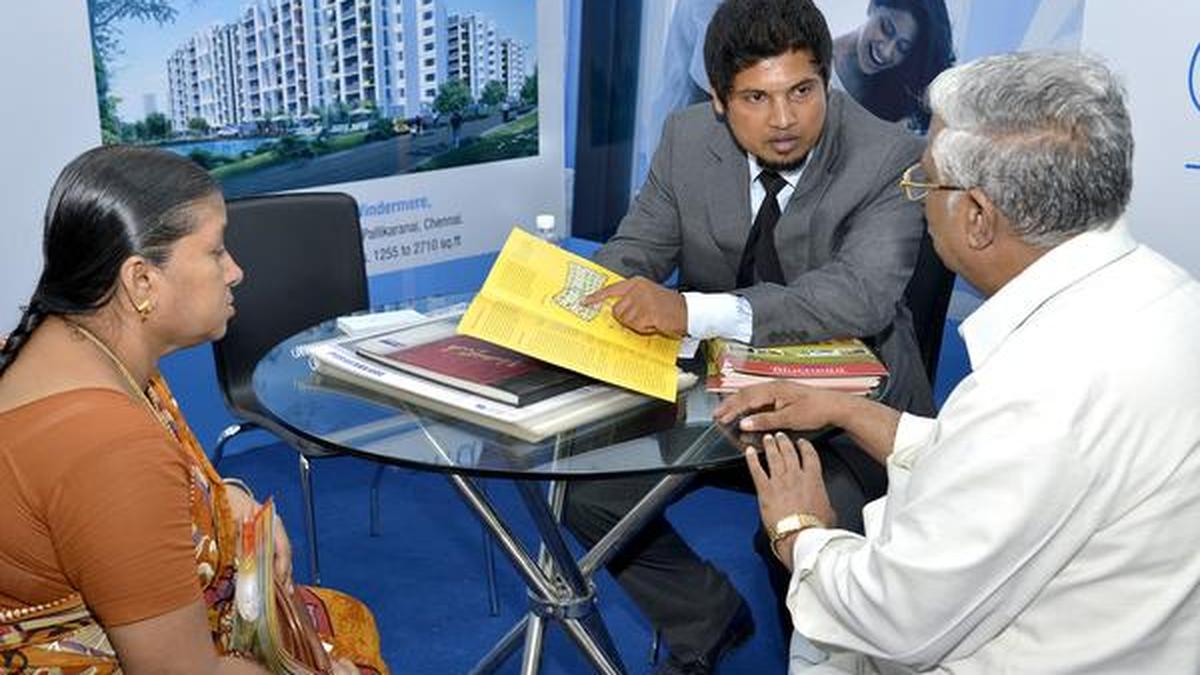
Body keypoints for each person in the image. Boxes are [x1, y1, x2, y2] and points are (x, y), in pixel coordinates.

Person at [718, 51, 1200, 673]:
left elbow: (892, 619)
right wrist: (846, 410)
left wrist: (798, 528)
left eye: (925, 182)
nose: (918, 201)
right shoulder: (1171, 295)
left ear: (975, 216)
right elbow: (1000, 468)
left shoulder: (1035, 391)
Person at [564, 0, 932, 672]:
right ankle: (704, 615)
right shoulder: (685, 138)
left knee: (800, 536)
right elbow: (638, 247)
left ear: (827, 79)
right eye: (756, 98)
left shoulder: (890, 157)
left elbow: (859, 295)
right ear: (718, 99)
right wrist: (577, 300)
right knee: (587, 494)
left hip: (846, 415)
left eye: (802, 91)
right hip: (714, 401)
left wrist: (694, 311)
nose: (784, 119)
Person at [0, 146, 389, 674]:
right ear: (141, 281)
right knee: (346, 641)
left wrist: (228, 501)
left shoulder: (73, 348)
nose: (236, 271)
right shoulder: (112, 450)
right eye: (216, 251)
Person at [831, 0, 954, 132]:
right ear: (872, 6)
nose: (886, 52)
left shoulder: (894, 104)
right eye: (886, 29)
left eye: (902, 48)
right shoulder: (818, 58)